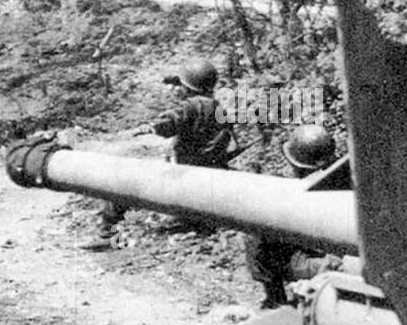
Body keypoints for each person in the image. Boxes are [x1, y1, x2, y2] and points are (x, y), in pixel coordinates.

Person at [85, 58, 235, 250]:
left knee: (120, 181)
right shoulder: (219, 108)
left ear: (188, 86)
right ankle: (195, 221)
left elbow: (166, 126)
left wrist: (150, 126)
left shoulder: (189, 106)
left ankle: (108, 234)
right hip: (213, 180)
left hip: (185, 180)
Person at [245, 125, 344, 309]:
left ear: (295, 163)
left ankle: (275, 301)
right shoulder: (346, 176)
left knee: (255, 235)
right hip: (347, 256)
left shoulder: (297, 191)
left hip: (326, 264)